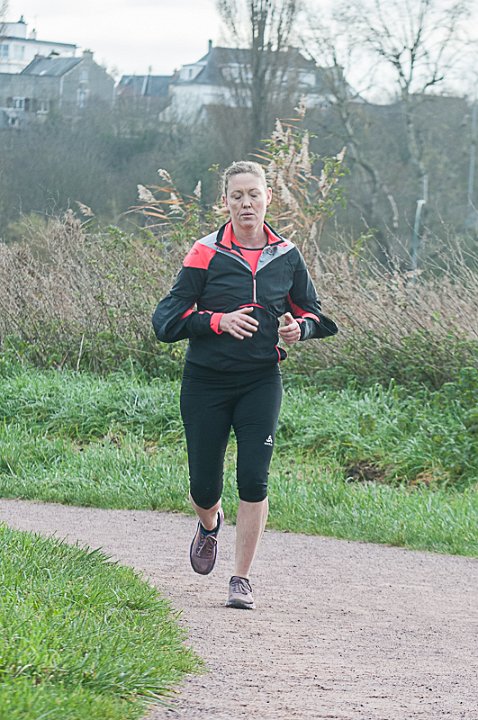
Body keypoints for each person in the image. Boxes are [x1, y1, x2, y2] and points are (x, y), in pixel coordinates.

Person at [152, 161, 337, 610]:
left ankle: (241, 579)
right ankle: (209, 524)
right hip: (205, 382)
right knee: (204, 488)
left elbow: (315, 314)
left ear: (268, 197)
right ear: (226, 202)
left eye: (254, 194)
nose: (246, 203)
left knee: (254, 479)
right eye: (237, 196)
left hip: (260, 380)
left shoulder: (287, 255)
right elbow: (166, 322)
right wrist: (217, 321)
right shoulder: (205, 252)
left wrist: (299, 329)